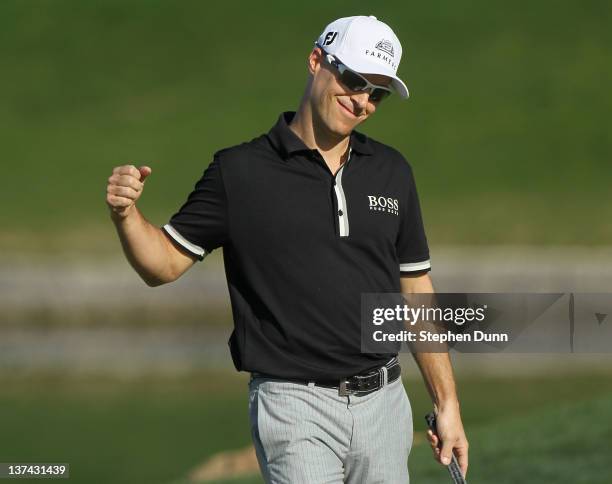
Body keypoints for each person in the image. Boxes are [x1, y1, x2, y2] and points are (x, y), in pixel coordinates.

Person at [106, 14, 468, 484]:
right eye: (355, 80)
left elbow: (416, 288)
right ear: (317, 60)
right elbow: (163, 264)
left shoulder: (392, 172)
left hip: (385, 404)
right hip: (294, 405)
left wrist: (448, 404)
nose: (362, 102)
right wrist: (127, 216)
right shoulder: (240, 173)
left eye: (376, 93)